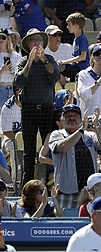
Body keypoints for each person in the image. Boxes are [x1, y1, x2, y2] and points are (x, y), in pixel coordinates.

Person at [14, 28, 60, 185]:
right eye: (33, 40)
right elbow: (18, 82)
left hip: (47, 110)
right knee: (29, 150)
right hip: (29, 110)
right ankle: (27, 186)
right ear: (28, 44)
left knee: (50, 149)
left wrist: (43, 60)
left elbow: (55, 77)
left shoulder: (49, 59)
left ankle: (50, 184)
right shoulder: (22, 61)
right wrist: (30, 62)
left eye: (39, 40)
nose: (37, 44)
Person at [49, 104, 101, 208]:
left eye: (75, 115)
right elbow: (63, 146)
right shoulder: (57, 134)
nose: (72, 118)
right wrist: (81, 130)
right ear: (63, 119)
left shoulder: (90, 135)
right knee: (67, 222)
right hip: (67, 191)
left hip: (89, 192)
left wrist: (97, 125)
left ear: (81, 119)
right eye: (68, 116)